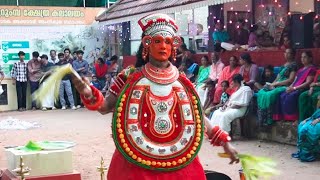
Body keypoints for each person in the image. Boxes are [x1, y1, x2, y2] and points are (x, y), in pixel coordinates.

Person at [71, 13, 238, 179]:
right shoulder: (128, 76)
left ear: (174, 46)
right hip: (135, 163)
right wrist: (88, 92)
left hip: (177, 163)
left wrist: (224, 141)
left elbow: (198, 116)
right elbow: (105, 107)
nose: (163, 46)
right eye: (157, 41)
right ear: (147, 44)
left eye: (168, 42)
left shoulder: (182, 81)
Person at [257, 48, 297, 125]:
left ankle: (269, 118)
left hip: (285, 85)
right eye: (285, 52)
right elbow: (277, 78)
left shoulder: (294, 65)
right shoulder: (283, 65)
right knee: (262, 92)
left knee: (269, 95)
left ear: (293, 55)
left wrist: (275, 84)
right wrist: (271, 85)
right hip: (277, 85)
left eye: (289, 53)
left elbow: (290, 80)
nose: (286, 54)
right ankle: (262, 118)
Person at [273, 51, 316, 121]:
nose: (302, 59)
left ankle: (293, 118)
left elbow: (307, 83)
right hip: (294, 87)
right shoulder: (300, 70)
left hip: (302, 88)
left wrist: (294, 88)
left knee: (291, 96)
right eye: (302, 57)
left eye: (305, 57)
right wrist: (290, 87)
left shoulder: (312, 69)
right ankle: (285, 117)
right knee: (282, 94)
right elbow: (295, 81)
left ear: (310, 59)